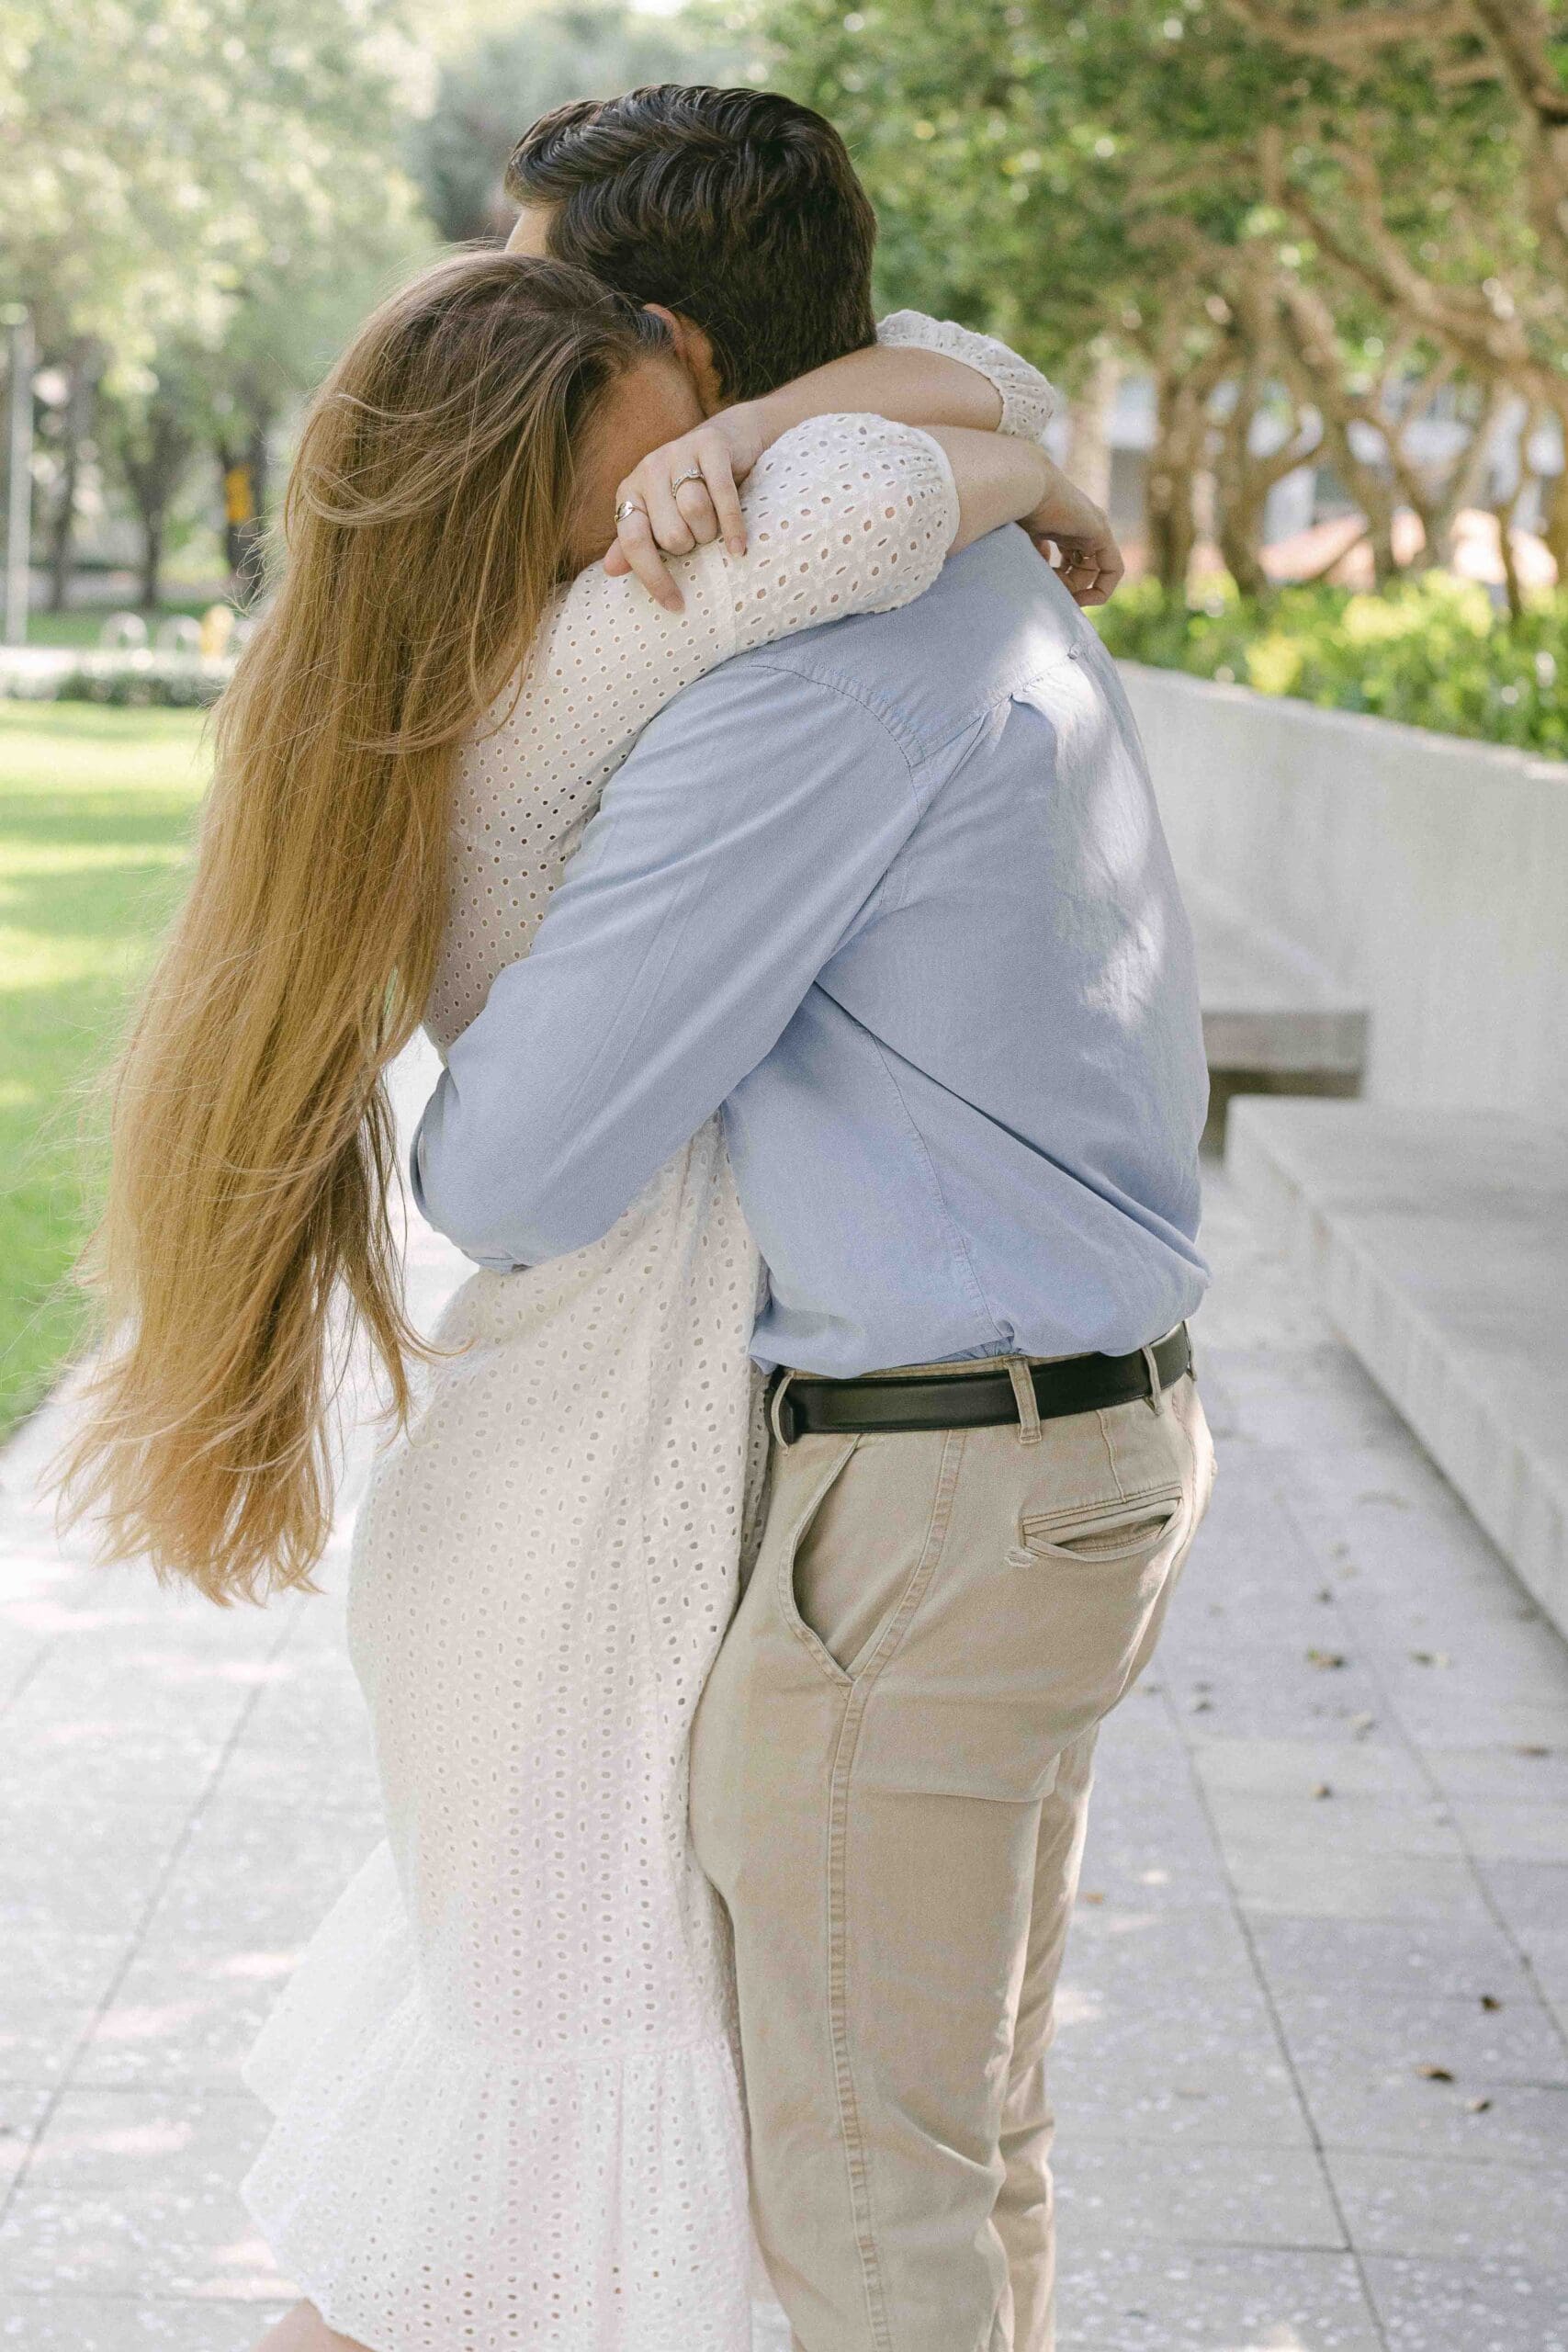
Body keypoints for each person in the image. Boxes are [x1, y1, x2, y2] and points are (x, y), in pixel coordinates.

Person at [54, 85, 1125, 2352]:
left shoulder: (481, 652)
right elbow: (921, 440)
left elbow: (910, 408)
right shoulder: (644, 630)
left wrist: (966, 439)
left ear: (663, 351)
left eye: (547, 283)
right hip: (586, 1537)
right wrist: (1027, 462)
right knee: (636, 2202)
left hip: (588, 1496)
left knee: (583, 2204)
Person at [413, 85, 1215, 2352]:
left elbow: (521, 1173)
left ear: (662, 345)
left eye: (539, 302)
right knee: (951, 2157)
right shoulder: (939, 542)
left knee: (866, 2218)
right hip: (1055, 1455)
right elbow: (982, 382)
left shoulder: (796, 669)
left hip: (941, 1502)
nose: (507, 346)